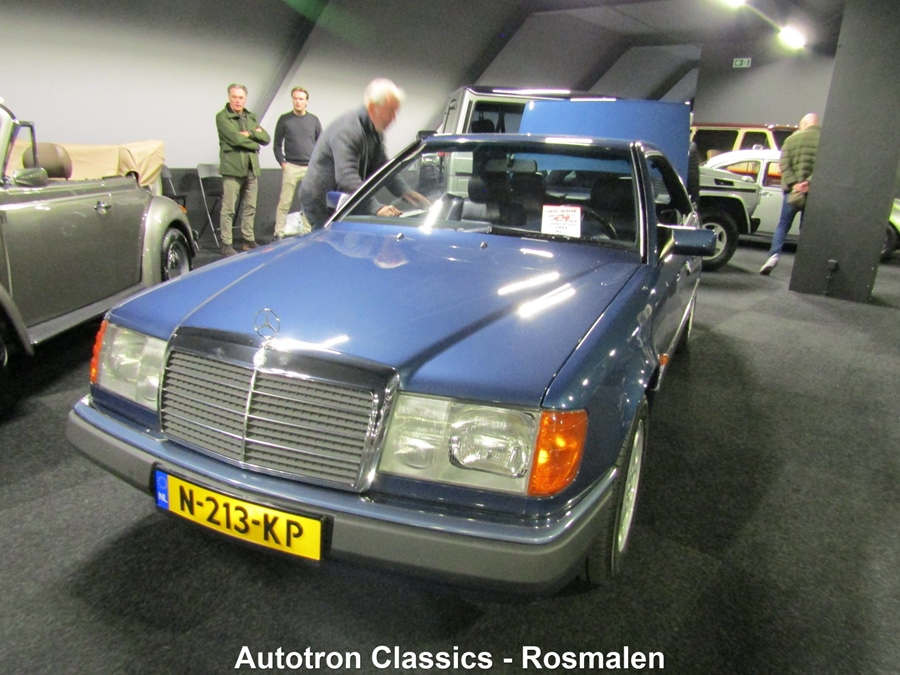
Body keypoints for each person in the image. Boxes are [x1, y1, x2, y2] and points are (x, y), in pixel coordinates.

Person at [299, 78, 428, 229]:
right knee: (327, 237)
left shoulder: (375, 132)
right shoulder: (348, 130)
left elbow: (383, 169)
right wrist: (376, 208)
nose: (393, 119)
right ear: (373, 108)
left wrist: (406, 192)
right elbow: (347, 178)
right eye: (390, 112)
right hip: (320, 201)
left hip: (341, 198)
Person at [759, 112, 821, 275]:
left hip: (791, 192)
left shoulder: (791, 140)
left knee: (783, 225)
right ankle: (804, 265)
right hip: (813, 193)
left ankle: (773, 256)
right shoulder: (824, 142)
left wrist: (794, 184)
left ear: (804, 124)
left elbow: (784, 165)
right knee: (806, 229)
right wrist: (808, 183)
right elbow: (824, 166)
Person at [216, 83, 270, 256]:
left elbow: (266, 138)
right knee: (229, 208)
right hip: (232, 168)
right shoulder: (222, 117)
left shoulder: (251, 117)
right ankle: (226, 243)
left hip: (251, 168)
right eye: (234, 97)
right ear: (229, 97)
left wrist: (250, 133)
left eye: (241, 97)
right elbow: (235, 139)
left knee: (250, 206)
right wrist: (254, 142)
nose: (238, 101)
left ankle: (248, 239)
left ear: (245, 99)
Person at [272, 87, 322, 240]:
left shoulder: (313, 120)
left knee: (309, 203)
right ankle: (279, 233)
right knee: (284, 201)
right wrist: (283, 163)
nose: (298, 101)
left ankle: (307, 233)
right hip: (291, 167)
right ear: (292, 100)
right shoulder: (284, 119)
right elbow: (277, 145)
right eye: (295, 98)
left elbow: (321, 144)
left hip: (310, 168)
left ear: (306, 101)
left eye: (301, 99)